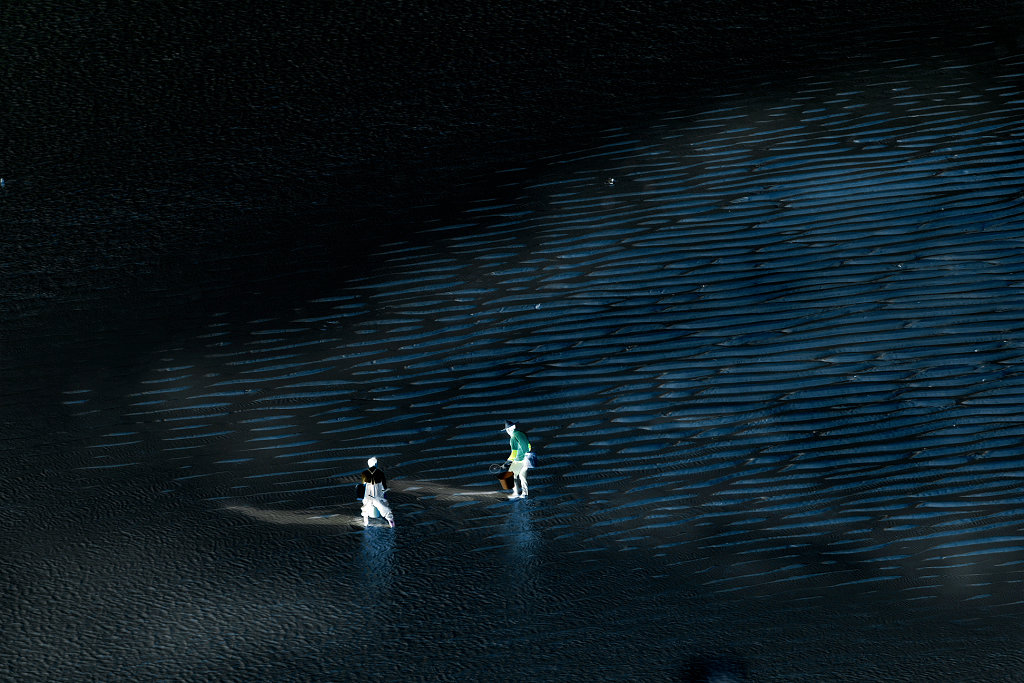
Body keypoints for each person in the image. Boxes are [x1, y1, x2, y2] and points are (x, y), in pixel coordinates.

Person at [501, 420, 534, 498]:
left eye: (506, 430)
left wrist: (507, 462)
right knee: (523, 477)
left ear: (508, 430)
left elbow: (514, 453)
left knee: (511, 476)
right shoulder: (522, 433)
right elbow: (529, 446)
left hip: (519, 460)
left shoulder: (513, 438)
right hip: (527, 459)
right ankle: (525, 493)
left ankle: (516, 493)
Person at [359, 457, 395, 527]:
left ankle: (365, 520)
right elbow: (384, 486)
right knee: (384, 509)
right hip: (377, 496)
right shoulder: (380, 473)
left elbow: (363, 485)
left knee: (365, 509)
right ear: (375, 464)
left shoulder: (364, 473)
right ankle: (391, 521)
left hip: (368, 496)